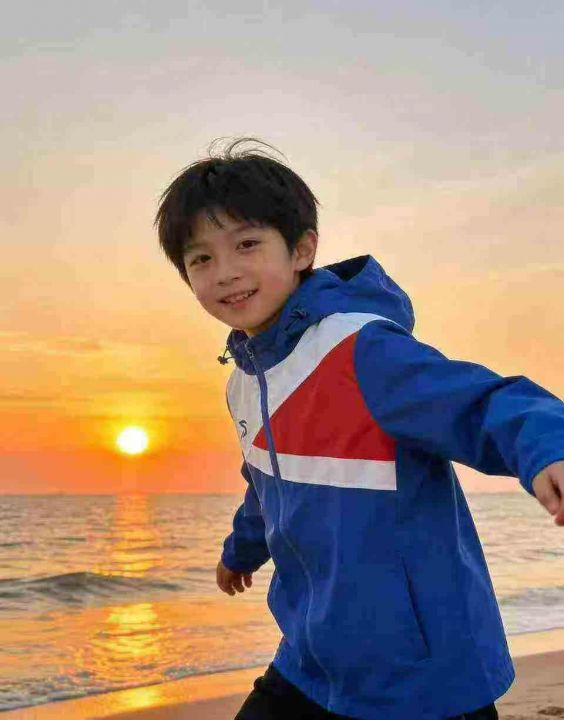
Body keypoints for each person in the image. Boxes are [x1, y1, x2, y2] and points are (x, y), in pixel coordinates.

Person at [154, 136, 564, 720]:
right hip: (311, 661)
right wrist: (240, 551)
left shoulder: (360, 349)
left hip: (421, 676)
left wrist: (547, 447)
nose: (226, 273)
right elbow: (266, 481)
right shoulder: (245, 382)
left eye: (247, 244)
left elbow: (480, 401)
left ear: (301, 249)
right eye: (201, 259)